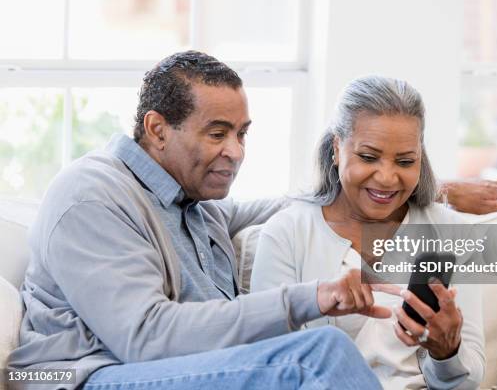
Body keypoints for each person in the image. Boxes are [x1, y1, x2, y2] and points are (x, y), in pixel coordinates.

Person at [8, 51, 402, 390]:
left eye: (242, 134)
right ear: (157, 129)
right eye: (217, 134)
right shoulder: (91, 195)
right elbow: (146, 336)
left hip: (162, 371)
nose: (235, 152)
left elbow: (293, 205)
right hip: (86, 375)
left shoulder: (195, 204)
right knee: (314, 358)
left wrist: (417, 190)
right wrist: (311, 298)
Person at [251, 76, 485, 389]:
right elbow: (267, 367)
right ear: (337, 148)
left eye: (405, 161)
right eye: (368, 157)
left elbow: (468, 382)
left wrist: (446, 351)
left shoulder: (452, 233)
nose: (387, 178)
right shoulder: (287, 233)